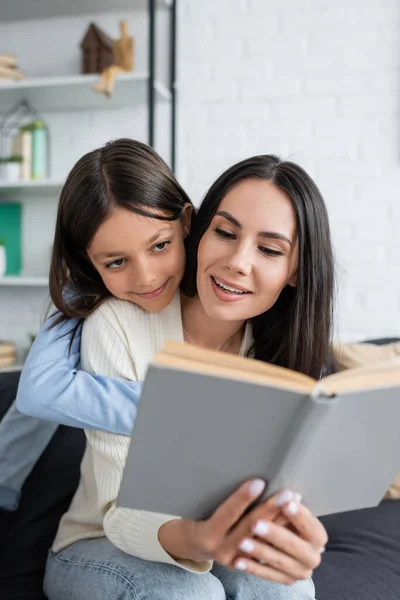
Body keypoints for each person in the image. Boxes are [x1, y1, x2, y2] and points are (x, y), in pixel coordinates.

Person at [30, 146, 333, 599]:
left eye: (270, 249)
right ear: (202, 230)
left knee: (287, 588)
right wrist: (199, 536)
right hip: (98, 542)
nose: (238, 261)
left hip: (212, 536)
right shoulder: (117, 323)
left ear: (295, 270)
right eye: (226, 233)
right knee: (192, 594)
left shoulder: (278, 355)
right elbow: (119, 514)